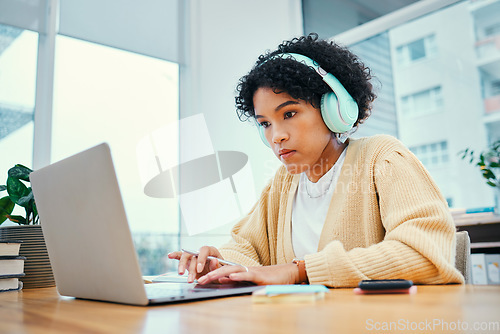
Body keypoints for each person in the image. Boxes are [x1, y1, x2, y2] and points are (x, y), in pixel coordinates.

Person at [168, 33, 464, 287]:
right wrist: (221, 264)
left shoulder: (382, 158)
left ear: (334, 107)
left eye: (289, 114)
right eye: (265, 123)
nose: (276, 136)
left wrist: (300, 271)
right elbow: (249, 248)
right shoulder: (283, 184)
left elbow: (425, 254)